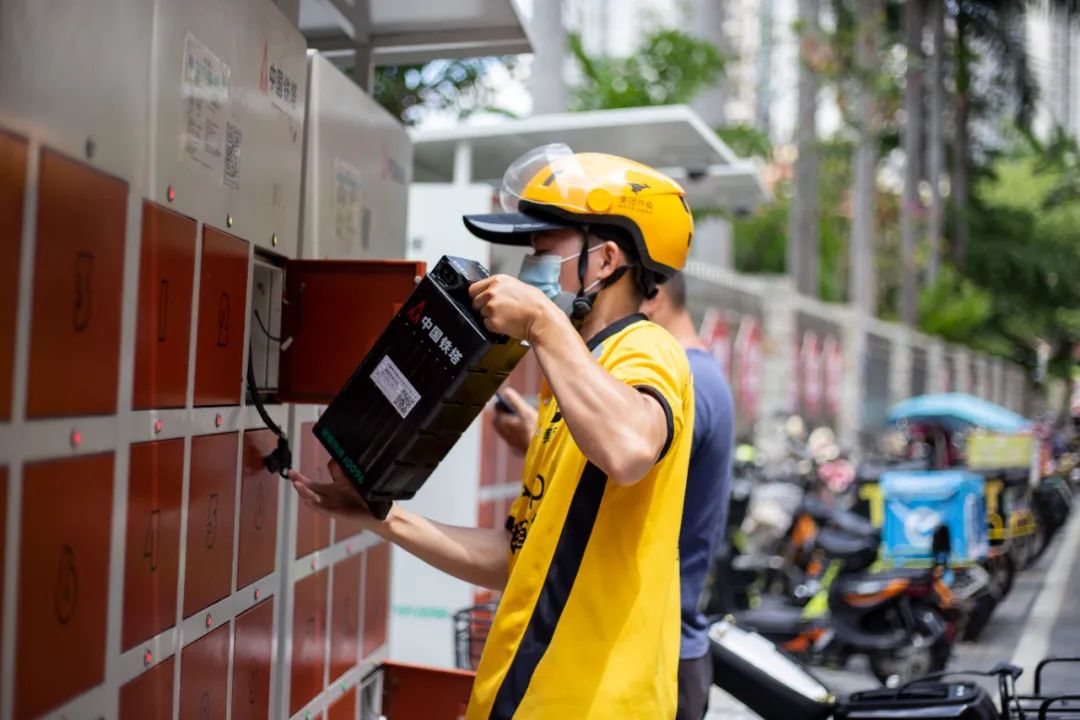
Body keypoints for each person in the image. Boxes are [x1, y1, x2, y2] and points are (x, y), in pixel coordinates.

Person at [289, 144, 697, 718]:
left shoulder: (646, 350)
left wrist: (542, 321)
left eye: (544, 249)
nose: (529, 267)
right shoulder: (575, 376)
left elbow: (629, 450)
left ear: (605, 260)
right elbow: (517, 556)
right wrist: (382, 515)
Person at [641, 272, 735, 720]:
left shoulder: (684, 380)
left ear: (653, 296)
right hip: (675, 648)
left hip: (662, 655)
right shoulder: (702, 372)